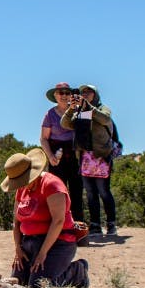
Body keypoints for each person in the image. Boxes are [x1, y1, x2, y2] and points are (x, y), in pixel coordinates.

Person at [1, 147, 90, 288]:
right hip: (29, 242)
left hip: (58, 243)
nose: (20, 186)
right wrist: (18, 248)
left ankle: (76, 272)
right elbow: (16, 222)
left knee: (38, 286)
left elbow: (58, 221)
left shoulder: (52, 185)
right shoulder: (22, 189)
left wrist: (43, 253)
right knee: (17, 283)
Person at [61, 84, 117, 237]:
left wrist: (89, 107)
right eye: (82, 92)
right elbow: (65, 123)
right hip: (85, 157)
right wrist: (72, 108)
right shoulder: (80, 111)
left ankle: (111, 224)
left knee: (104, 191)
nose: (85, 94)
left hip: (101, 156)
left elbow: (105, 120)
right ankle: (95, 225)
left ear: (95, 94)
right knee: (91, 193)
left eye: (88, 91)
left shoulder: (102, 108)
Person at [40, 82, 85, 225]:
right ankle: (57, 225)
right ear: (55, 95)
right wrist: (50, 156)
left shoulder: (80, 112)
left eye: (67, 93)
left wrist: (82, 105)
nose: (64, 96)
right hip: (57, 157)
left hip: (75, 156)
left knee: (77, 192)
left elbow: (89, 127)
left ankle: (78, 225)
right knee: (57, 191)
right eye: (61, 93)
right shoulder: (50, 114)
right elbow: (44, 138)